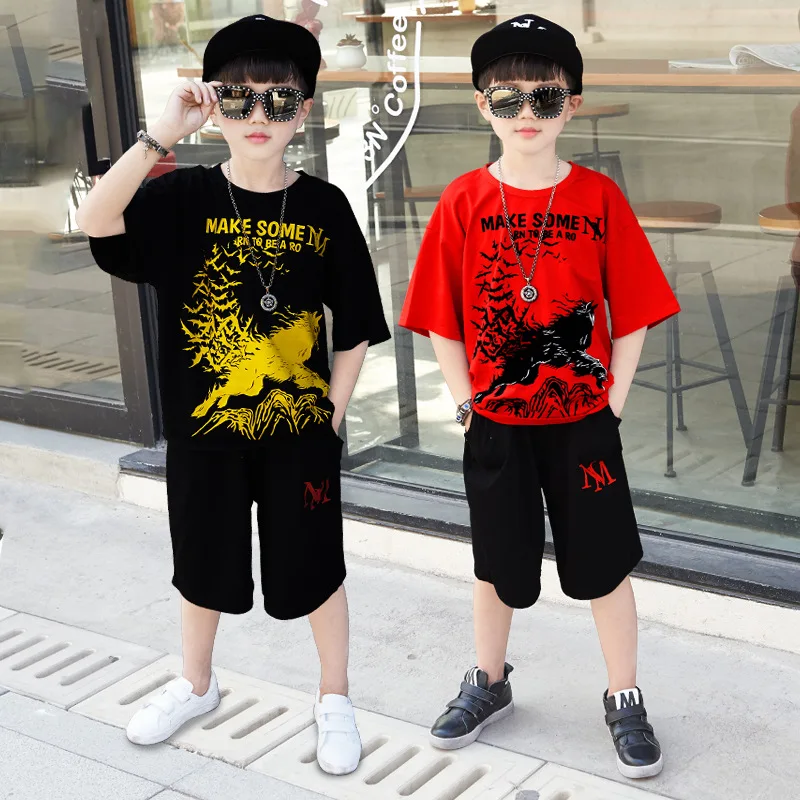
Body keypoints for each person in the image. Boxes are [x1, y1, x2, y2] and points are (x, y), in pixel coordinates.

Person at [76, 14, 390, 776]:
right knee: (202, 564)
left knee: (317, 566)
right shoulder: (180, 198)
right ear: (213, 106)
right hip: (205, 432)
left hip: (298, 433)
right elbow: (94, 219)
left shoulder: (323, 207)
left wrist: (332, 414)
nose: (259, 116)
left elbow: (354, 326)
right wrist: (161, 135)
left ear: (303, 111)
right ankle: (195, 682)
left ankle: (335, 696)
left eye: (278, 100)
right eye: (238, 98)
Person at [399, 14, 679, 779]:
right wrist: (466, 403)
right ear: (483, 106)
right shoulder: (463, 201)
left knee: (605, 562)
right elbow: (440, 319)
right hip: (496, 422)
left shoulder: (598, 198)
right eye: (508, 98)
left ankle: (624, 694)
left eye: (545, 98)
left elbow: (634, 309)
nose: (527, 113)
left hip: (584, 421)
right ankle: (488, 680)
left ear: (571, 105)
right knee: (498, 562)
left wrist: (613, 400)